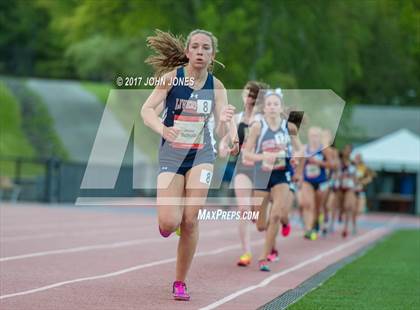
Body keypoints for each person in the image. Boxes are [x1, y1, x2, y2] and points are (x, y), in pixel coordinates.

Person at [141, 29, 237, 301]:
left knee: (191, 219)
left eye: (205, 48)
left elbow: (221, 124)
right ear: (187, 52)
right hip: (172, 156)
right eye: (194, 47)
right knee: (170, 223)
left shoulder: (217, 87)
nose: (199, 52)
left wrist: (231, 136)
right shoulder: (172, 79)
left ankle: (180, 282)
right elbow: (147, 110)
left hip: (201, 156)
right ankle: (170, 222)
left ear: (212, 55)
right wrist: (162, 128)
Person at [243, 88, 301, 272]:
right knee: (261, 225)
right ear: (264, 108)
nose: (273, 107)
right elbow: (247, 153)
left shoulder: (289, 127)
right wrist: (263, 157)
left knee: (275, 215)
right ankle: (270, 236)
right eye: (269, 104)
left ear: (281, 107)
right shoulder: (257, 126)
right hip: (262, 174)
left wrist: (294, 157)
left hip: (282, 174)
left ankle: (263, 257)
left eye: (276, 104)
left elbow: (300, 149)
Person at [219, 81, 267, 267]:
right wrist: (223, 147)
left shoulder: (263, 120)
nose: (249, 99)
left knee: (259, 217)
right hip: (242, 169)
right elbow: (224, 140)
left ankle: (269, 245)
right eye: (247, 94)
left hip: (262, 169)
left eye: (253, 96)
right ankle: (246, 251)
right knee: (243, 210)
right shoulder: (237, 118)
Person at [298, 127, 333, 240]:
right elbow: (301, 165)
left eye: (316, 136)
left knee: (318, 207)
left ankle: (316, 223)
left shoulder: (324, 150)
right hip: (308, 181)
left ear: (319, 137)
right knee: (308, 204)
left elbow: (331, 165)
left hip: (321, 182)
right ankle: (308, 229)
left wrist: (319, 162)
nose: (314, 138)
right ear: (308, 137)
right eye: (312, 135)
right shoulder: (304, 149)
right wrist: (300, 177)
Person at [339, 144, 357, 238]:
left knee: (348, 206)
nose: (347, 151)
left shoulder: (352, 163)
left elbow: (354, 176)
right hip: (339, 186)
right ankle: (338, 216)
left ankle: (345, 228)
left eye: (349, 150)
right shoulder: (339, 160)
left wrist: (355, 185)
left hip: (349, 186)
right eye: (345, 149)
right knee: (337, 205)